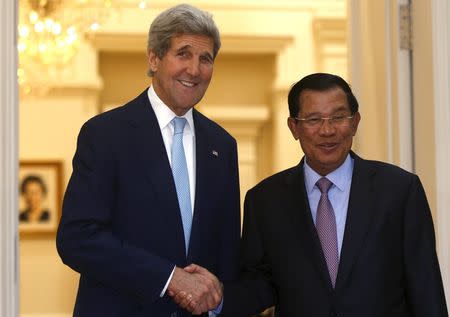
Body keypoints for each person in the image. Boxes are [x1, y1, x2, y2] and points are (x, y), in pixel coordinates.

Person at [56, 4, 240, 317]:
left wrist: (220, 299)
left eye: (205, 59)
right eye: (183, 53)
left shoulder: (222, 146)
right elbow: (78, 237)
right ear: (154, 58)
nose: (194, 70)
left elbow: (227, 257)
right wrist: (169, 278)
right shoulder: (105, 134)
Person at [219, 73, 448, 316]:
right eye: (313, 119)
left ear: (355, 122)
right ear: (294, 127)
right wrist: (217, 298)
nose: (327, 130)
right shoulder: (265, 200)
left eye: (338, 117)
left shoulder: (399, 191)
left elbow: (425, 288)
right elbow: (259, 285)